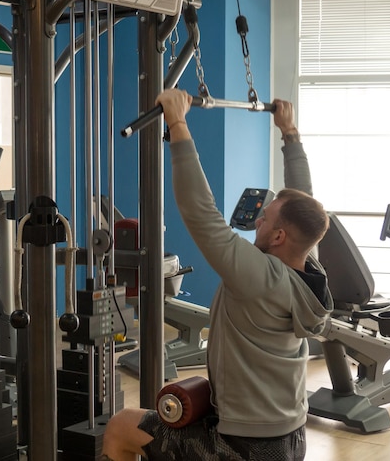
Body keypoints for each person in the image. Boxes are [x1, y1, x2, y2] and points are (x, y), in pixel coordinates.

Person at [101, 88, 333, 461]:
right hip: (290, 439)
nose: (257, 219)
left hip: (244, 449)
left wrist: (177, 123)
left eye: (266, 218)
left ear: (278, 236)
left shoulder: (259, 276)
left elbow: (201, 213)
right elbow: (304, 200)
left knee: (121, 427)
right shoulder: (308, 265)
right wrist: (290, 135)